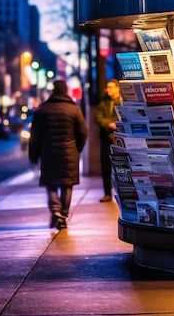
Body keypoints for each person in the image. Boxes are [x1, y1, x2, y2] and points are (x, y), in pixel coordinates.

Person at [28, 80, 88, 230]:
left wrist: (33, 156)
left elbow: (34, 137)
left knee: (51, 184)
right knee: (67, 186)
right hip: (70, 153)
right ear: (65, 91)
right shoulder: (73, 110)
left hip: (48, 154)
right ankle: (64, 215)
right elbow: (83, 133)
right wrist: (77, 148)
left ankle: (56, 211)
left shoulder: (42, 110)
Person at [95, 79, 121, 202]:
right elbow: (98, 117)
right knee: (106, 167)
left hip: (118, 139)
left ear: (117, 88)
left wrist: (116, 125)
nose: (108, 90)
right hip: (105, 139)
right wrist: (109, 124)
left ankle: (121, 193)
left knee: (120, 167)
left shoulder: (121, 101)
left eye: (111, 87)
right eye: (107, 87)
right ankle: (107, 193)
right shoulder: (104, 102)